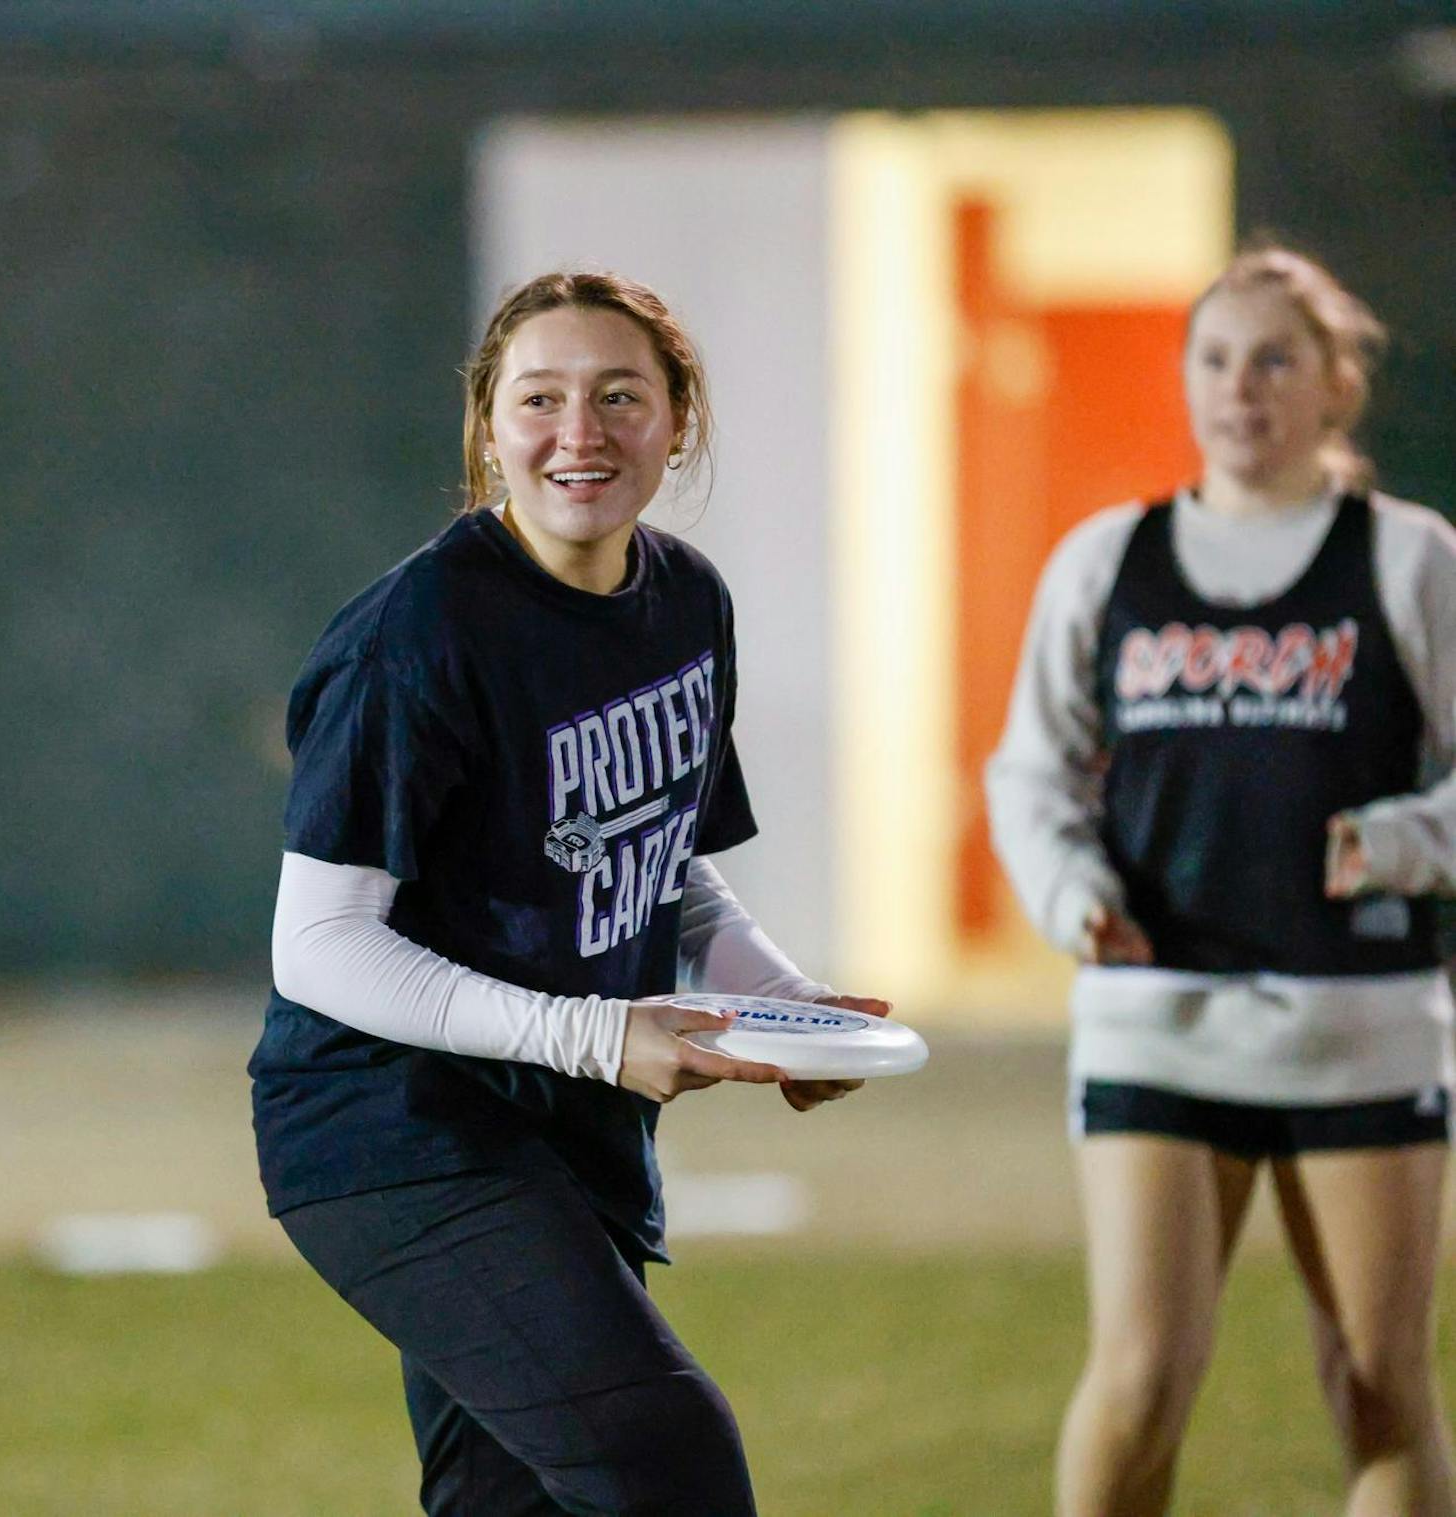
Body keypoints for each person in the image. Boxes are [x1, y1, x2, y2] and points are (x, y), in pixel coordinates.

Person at [247, 270, 888, 1516]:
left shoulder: (685, 600)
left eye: (617, 396)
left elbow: (666, 866)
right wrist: (596, 1035)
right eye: (537, 398)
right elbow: (317, 944)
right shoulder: (418, 631)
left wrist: (786, 1008)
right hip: (395, 1132)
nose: (577, 433)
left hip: (559, 1130)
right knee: (670, 1465)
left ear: (675, 423)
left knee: (519, 1505)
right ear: (488, 426)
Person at [988, 243, 1456, 1517]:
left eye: (1272, 360)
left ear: (1332, 388)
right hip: (1157, 1018)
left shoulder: (1407, 558)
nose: (1238, 388)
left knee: (1376, 1384)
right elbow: (1028, 773)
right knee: (1138, 1378)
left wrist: (1406, 840)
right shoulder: (1106, 558)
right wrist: (1069, 888)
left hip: (1353, 1020)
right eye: (1212, 359)